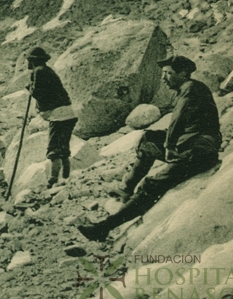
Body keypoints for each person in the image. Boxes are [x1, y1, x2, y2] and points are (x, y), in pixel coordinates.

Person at [77, 55, 222, 242]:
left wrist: (169, 146)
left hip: (198, 152)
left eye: (168, 73)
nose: (164, 78)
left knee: (150, 185)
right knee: (148, 140)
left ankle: (103, 228)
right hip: (189, 145)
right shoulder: (188, 89)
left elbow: (178, 119)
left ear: (184, 73)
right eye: (164, 73)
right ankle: (127, 188)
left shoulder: (190, 89)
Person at [26, 47, 78, 188]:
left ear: (32, 61)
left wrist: (30, 87)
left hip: (58, 115)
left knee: (54, 149)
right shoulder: (48, 70)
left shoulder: (39, 71)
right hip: (69, 113)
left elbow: (38, 93)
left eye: (28, 60)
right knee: (63, 148)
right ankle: (66, 177)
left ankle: (52, 180)